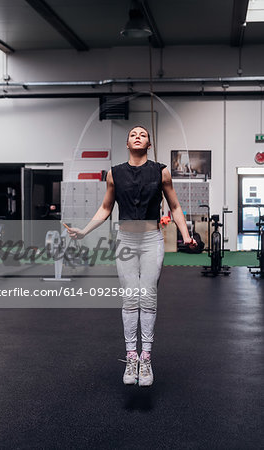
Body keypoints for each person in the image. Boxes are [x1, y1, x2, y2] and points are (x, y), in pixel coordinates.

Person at [65, 126, 197, 386]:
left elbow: (175, 206)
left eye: (143, 135)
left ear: (149, 144)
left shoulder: (162, 172)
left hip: (151, 240)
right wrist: (83, 231)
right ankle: (131, 357)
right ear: (127, 143)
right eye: (133, 134)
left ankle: (146, 359)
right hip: (125, 239)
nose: (138, 136)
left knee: (147, 295)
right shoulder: (114, 174)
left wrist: (185, 234)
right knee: (130, 298)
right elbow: (105, 208)